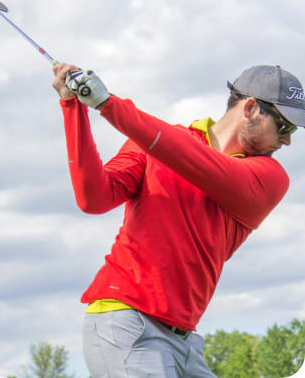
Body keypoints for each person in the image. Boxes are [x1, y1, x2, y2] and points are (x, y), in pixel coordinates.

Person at [53, 64, 305, 378]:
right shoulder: (158, 143)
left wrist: (110, 105)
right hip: (127, 320)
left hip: (184, 341)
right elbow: (94, 197)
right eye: (284, 126)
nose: (288, 141)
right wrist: (73, 108)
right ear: (250, 107)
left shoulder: (270, 177)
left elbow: (196, 161)